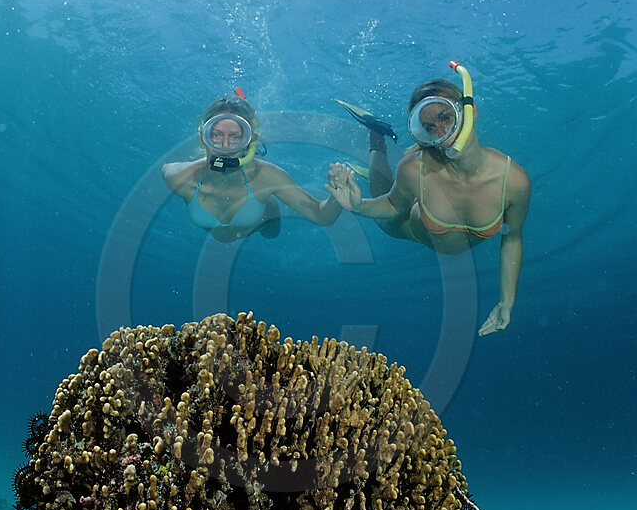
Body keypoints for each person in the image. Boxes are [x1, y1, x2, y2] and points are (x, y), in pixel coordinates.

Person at [327, 63, 531, 336]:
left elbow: (513, 237)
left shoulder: (514, 182)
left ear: (470, 113)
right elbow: (390, 205)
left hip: (423, 195)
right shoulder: (414, 169)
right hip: (407, 224)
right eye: (428, 126)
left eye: (447, 117)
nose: (441, 132)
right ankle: (377, 137)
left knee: (395, 179)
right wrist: (358, 205)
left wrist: (507, 302)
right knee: (381, 203)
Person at [163, 90, 342, 242]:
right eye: (216, 135)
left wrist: (337, 196)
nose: (224, 146)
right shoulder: (179, 177)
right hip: (215, 232)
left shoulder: (268, 177)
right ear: (204, 137)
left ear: (250, 142)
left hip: (262, 223)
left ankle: (270, 204)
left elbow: (322, 216)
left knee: (271, 235)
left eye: (235, 137)